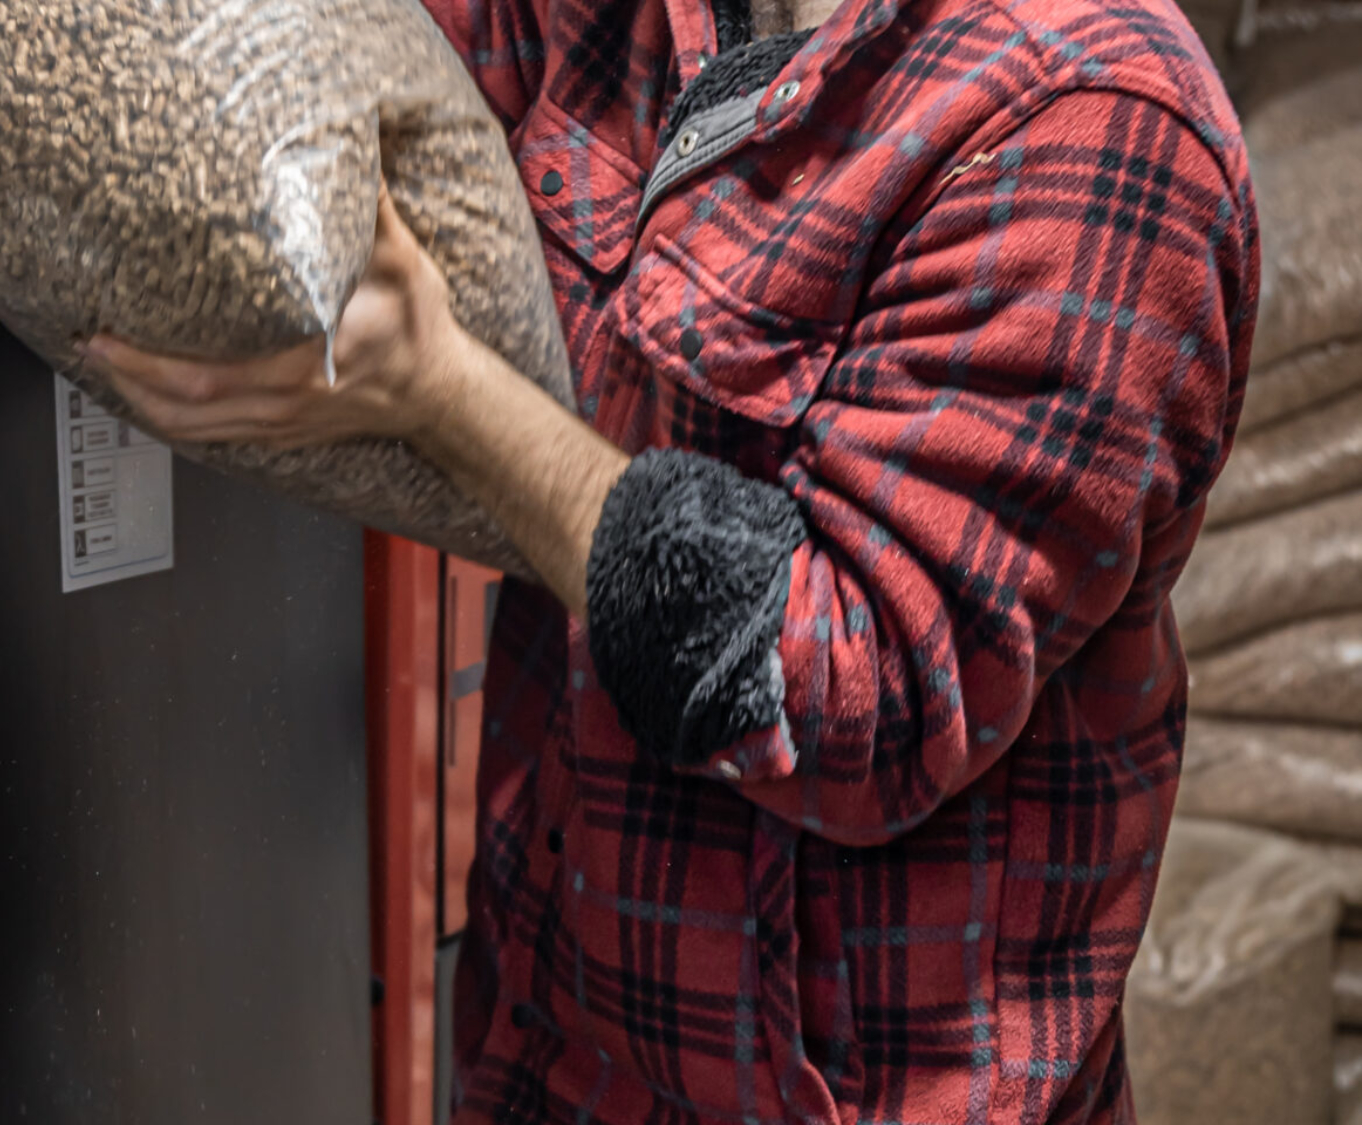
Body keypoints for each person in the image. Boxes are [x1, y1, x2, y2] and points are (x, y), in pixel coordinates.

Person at [84, 0, 1258, 1113]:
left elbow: (849, 692)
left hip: (837, 1092)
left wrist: (441, 394)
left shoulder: (1095, 116)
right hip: (545, 1036)